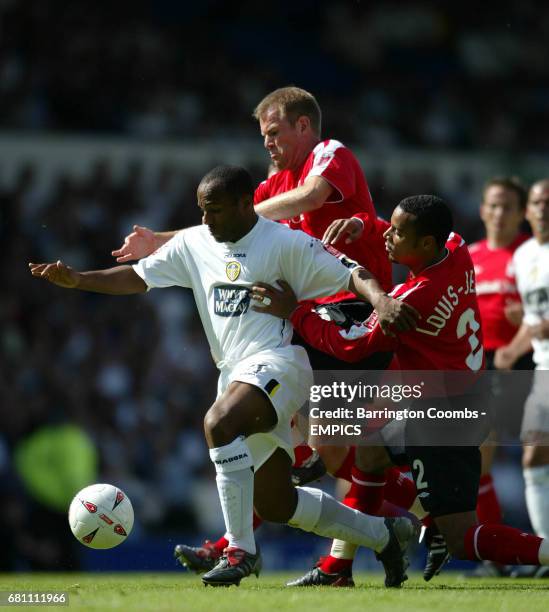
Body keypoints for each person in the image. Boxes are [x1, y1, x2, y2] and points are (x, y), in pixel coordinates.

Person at [29, 165, 419, 588]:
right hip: (234, 371)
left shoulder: (283, 242)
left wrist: (382, 302)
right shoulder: (197, 242)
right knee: (275, 503)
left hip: (280, 360)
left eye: (214, 210)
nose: (205, 220)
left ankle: (239, 550)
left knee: (218, 421)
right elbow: (138, 278)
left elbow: (351, 273)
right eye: (201, 210)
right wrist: (78, 279)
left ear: (242, 204)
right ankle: (385, 535)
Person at [255, 194, 549, 581]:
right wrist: (368, 224)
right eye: (390, 227)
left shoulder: (411, 303)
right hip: (454, 396)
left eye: (397, 232)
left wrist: (295, 311)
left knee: (463, 538)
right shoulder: (456, 248)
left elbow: (350, 344)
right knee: (370, 453)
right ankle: (339, 567)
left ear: (426, 244)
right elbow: (398, 234)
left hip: (442, 418)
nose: (388, 235)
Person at [467, 176, 532, 576]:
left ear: (522, 213)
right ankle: (494, 553)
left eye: (508, 206)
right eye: (493, 205)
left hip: (530, 363)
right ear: (481, 210)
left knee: (536, 456)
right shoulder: (470, 255)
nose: (499, 213)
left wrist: (528, 323)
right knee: (478, 457)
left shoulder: (532, 255)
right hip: (482, 365)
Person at [495, 180, 549, 575]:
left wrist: (528, 334)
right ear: (527, 212)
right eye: (536, 203)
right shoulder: (524, 256)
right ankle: (545, 552)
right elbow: (533, 321)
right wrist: (515, 344)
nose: (542, 208)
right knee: (533, 454)